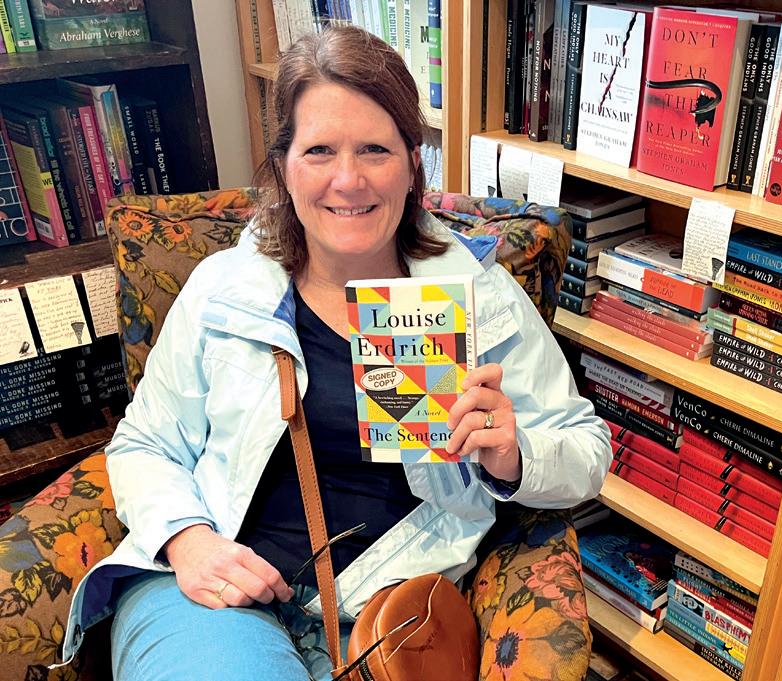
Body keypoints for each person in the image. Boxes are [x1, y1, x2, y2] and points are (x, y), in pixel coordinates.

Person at [55, 26, 611, 681]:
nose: (348, 180)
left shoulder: (480, 297)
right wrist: (188, 539)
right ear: (284, 166)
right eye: (319, 150)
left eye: (375, 149)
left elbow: (587, 452)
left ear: (413, 163)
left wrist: (513, 455)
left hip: (384, 616)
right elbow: (144, 444)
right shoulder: (224, 289)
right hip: (216, 597)